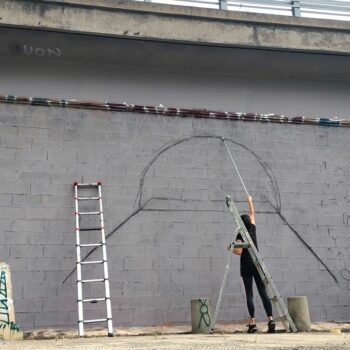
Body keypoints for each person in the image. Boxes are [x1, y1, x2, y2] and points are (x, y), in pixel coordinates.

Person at [231, 195, 275, 334]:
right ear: (249, 222)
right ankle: (270, 319)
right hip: (257, 264)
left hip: (246, 266)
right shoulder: (253, 229)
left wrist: (231, 247)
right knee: (263, 293)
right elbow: (252, 214)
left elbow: (238, 252)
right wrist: (250, 201)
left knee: (249, 293)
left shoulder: (240, 234)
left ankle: (253, 323)